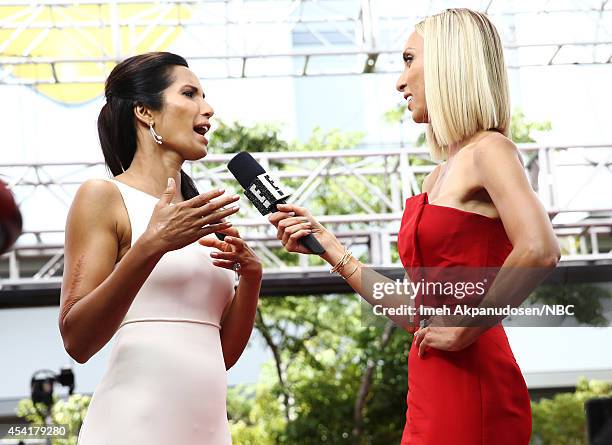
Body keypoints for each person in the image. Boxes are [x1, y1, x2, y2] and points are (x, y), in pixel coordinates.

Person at [268, 8, 560, 445]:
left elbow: (540, 249)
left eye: (409, 60)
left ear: (448, 64)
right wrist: (330, 247)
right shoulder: (436, 176)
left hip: (473, 375)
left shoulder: (491, 150)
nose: (399, 81)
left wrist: (466, 327)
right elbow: (421, 313)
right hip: (431, 375)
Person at [59, 52, 262, 444]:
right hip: (132, 426)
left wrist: (252, 279)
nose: (208, 108)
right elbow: (77, 340)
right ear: (145, 112)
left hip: (207, 430)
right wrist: (153, 245)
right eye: (190, 94)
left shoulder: (199, 216)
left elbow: (222, 357)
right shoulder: (103, 196)